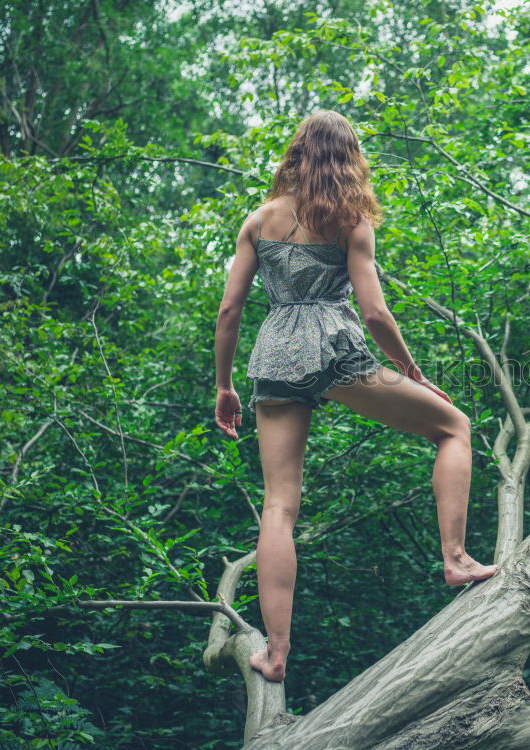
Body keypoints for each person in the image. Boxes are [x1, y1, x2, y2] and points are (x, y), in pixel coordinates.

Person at [212, 109, 498, 683]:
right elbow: (373, 311)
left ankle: (276, 653)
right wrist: (411, 370)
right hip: (333, 349)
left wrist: (224, 385)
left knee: (279, 507)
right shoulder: (350, 219)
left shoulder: (258, 219)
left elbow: (229, 310)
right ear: (348, 158)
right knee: (453, 428)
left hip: (274, 359)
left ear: (296, 153)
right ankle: (455, 559)